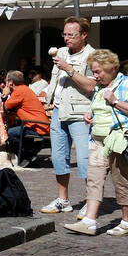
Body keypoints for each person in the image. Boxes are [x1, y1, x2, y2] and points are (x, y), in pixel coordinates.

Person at [64, 49, 128, 237]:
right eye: (93, 71)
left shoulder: (127, 84)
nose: (95, 76)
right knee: (93, 179)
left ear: (111, 68)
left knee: (121, 181)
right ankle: (89, 222)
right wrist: (91, 115)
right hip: (97, 140)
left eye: (98, 71)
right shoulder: (99, 87)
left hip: (119, 140)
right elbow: (100, 108)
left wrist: (116, 101)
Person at [41, 17, 96, 214]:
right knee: (58, 157)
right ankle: (63, 200)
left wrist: (69, 69)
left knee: (84, 159)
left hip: (81, 113)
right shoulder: (62, 52)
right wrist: (48, 98)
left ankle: (91, 203)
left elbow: (91, 86)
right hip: (58, 110)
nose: (66, 38)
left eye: (71, 35)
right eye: (64, 34)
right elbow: (56, 79)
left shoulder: (92, 56)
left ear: (83, 35)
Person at [2, 70, 49, 153]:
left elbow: (5, 107)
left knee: (10, 132)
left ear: (11, 83)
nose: (4, 84)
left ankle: (24, 155)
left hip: (37, 126)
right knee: (16, 127)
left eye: (6, 81)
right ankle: (28, 152)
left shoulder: (19, 91)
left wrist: (4, 95)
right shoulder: (24, 89)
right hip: (37, 124)